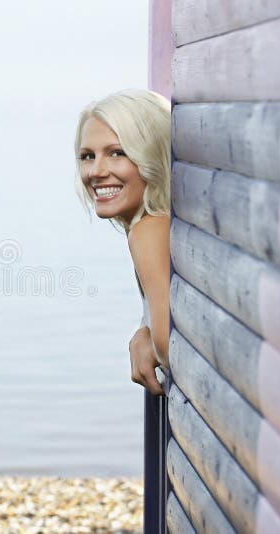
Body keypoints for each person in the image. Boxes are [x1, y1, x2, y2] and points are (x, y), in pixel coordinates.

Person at [74, 89, 171, 396]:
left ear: (152, 155)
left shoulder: (148, 231)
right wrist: (144, 329)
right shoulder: (160, 223)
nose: (96, 172)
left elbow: (171, 348)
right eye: (87, 156)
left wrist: (153, 339)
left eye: (117, 152)